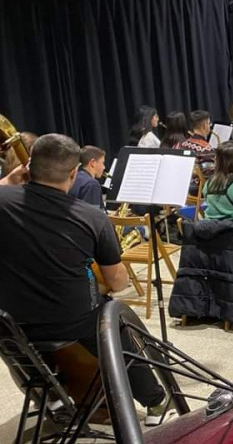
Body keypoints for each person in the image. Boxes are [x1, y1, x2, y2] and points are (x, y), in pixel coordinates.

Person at [0, 134, 169, 424]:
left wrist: (9, 181)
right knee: (115, 322)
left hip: (10, 323)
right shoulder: (91, 216)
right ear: (73, 173)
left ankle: (51, 397)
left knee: (14, 343)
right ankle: (154, 402)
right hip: (71, 320)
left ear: (28, 167)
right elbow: (117, 282)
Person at [68, 145, 105, 209]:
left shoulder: (73, 177)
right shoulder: (92, 184)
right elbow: (93, 216)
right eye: (102, 163)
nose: (104, 167)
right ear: (92, 162)